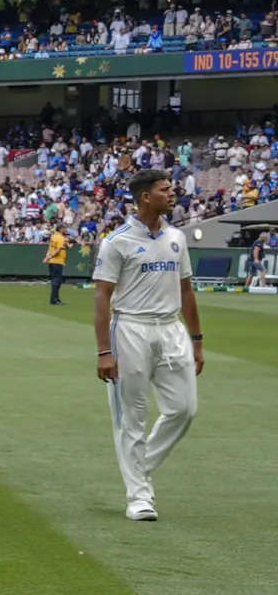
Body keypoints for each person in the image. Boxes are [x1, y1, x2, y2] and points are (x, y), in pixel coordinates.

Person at [93, 168, 202, 521]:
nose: (173, 194)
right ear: (145, 197)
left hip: (171, 330)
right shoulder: (117, 241)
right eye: (165, 190)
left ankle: (139, 468)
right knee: (132, 417)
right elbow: (102, 297)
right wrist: (104, 351)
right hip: (131, 330)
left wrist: (197, 340)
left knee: (184, 409)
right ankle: (139, 497)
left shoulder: (176, 237)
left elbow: (186, 289)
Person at [46, 223, 70, 304]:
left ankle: (55, 299)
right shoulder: (60, 238)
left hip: (53, 262)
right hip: (57, 261)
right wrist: (51, 256)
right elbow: (58, 250)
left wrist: (48, 257)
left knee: (55, 280)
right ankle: (54, 300)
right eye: (64, 228)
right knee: (57, 281)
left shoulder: (53, 236)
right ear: (61, 229)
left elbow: (50, 248)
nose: (66, 230)